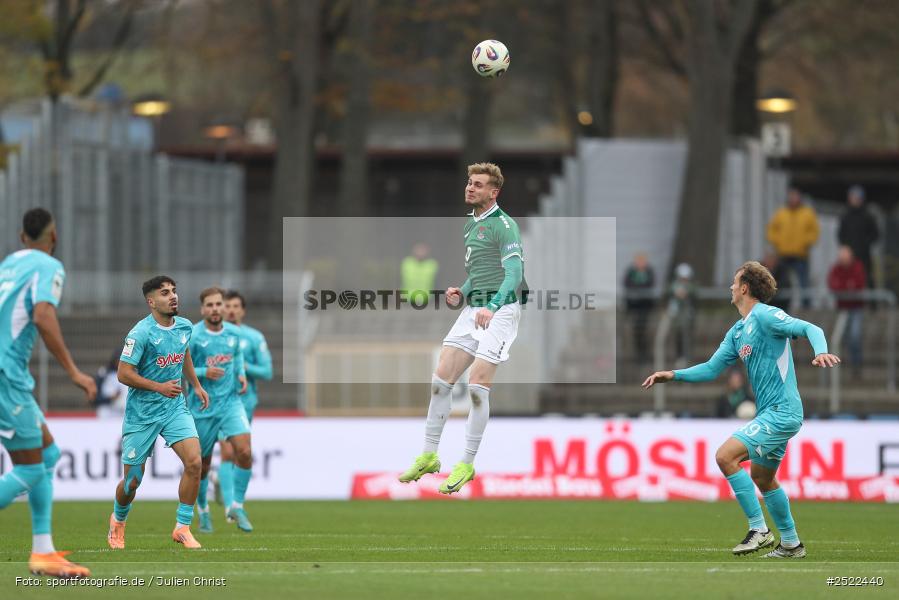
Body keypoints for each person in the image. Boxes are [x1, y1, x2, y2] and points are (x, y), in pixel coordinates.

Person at [642, 260, 840, 558]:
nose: (731, 287)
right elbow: (711, 369)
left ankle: (759, 529)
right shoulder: (738, 331)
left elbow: (810, 327)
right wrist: (673, 374)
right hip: (770, 414)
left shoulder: (765, 315)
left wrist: (821, 350)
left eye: (735, 282)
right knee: (762, 477)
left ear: (745, 288)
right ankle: (791, 544)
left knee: (725, 456)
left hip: (783, 411)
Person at [398, 162, 526, 494]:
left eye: (478, 184)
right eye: (469, 183)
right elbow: (481, 270)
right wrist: (464, 290)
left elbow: (512, 276)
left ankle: (467, 463)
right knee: (441, 381)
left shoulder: (505, 226)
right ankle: (429, 455)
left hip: (501, 309)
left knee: (476, 386)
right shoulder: (470, 225)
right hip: (475, 308)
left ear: (493, 192)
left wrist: (492, 307)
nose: (470, 188)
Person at [0, 208, 96, 578]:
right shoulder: (49, 266)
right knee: (28, 469)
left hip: (12, 375)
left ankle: (44, 552)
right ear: (53, 237)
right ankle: (42, 554)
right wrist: (73, 371)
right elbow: (42, 315)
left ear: (23, 236)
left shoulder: (9, 263)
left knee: (49, 454)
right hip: (6, 374)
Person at [107, 276, 209, 550]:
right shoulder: (140, 333)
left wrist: (196, 386)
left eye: (174, 291)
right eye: (165, 293)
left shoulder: (185, 326)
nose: (173, 296)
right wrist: (158, 386)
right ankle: (118, 520)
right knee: (132, 481)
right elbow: (123, 373)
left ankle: (182, 527)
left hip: (175, 408)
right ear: (151, 301)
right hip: (142, 414)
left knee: (195, 462)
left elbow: (183, 352)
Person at [187, 287, 252, 533]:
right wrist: (203, 373)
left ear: (224, 307)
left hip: (230, 403)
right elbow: (181, 368)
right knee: (202, 465)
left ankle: (237, 505)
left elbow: (236, 357)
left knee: (244, 451)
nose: (215, 309)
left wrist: (242, 375)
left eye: (218, 304)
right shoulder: (192, 335)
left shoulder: (234, 333)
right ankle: (203, 512)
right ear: (203, 309)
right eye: (210, 305)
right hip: (202, 407)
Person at [216, 290, 272, 517]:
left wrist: (242, 366)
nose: (231, 310)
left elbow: (267, 372)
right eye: (227, 306)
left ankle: (224, 485)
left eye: (235, 306)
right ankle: (232, 507)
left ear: (243, 310)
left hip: (245, 401)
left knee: (241, 454)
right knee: (227, 453)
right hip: (219, 401)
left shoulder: (254, 338)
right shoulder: (213, 336)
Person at [767, 187, 819, 307]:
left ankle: (806, 306)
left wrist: (806, 242)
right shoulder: (781, 213)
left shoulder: (807, 213)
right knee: (782, 282)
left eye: (795, 196)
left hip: (800, 254)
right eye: (791, 196)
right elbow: (771, 229)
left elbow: (814, 231)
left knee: (803, 282)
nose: (793, 198)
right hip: (783, 253)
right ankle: (781, 304)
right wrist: (778, 242)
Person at [828, 245, 867, 378]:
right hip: (842, 307)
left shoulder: (857, 267)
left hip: (856, 307)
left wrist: (845, 288)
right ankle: (845, 363)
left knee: (855, 336)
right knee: (843, 337)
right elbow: (833, 284)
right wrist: (846, 288)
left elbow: (858, 284)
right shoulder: (836, 268)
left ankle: (856, 364)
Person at [838, 185, 880, 289]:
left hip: (864, 254)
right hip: (849, 254)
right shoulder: (846, 216)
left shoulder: (868, 216)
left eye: (857, 198)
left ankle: (872, 304)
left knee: (868, 277)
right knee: (847, 278)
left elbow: (875, 234)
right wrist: (845, 248)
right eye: (852, 197)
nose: (854, 200)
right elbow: (841, 234)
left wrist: (865, 244)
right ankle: (849, 303)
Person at [623, 253, 655, 364]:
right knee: (636, 330)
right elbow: (627, 284)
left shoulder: (649, 272)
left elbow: (649, 285)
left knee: (644, 330)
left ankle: (644, 354)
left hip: (645, 306)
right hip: (634, 305)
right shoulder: (631, 272)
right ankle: (638, 355)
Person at [668, 263, 697, 367]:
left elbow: (694, 294)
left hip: (688, 318)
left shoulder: (691, 287)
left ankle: (688, 358)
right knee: (678, 337)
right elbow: (669, 292)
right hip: (677, 320)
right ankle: (679, 358)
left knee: (688, 338)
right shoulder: (673, 286)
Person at [96, 351, 128, 419]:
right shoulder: (104, 373)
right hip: (107, 410)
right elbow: (96, 396)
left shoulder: (131, 373)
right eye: (118, 360)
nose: (120, 363)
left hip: (125, 411)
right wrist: (110, 398)